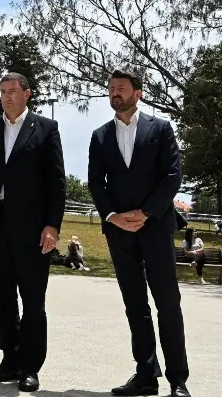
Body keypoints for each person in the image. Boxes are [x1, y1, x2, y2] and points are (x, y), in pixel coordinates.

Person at [88, 70, 190, 397]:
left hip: (156, 228)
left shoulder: (160, 129)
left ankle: (178, 381)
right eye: (111, 89)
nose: (115, 93)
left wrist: (146, 213)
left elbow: (172, 176)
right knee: (135, 305)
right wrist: (113, 216)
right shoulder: (100, 136)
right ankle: (146, 376)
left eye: (122, 88)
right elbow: (95, 183)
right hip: (120, 233)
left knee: (167, 303)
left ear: (138, 93)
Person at [0, 72, 66, 393]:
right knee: (1, 297)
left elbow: (56, 182)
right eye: (2, 92)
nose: (7, 97)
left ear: (27, 94)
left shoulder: (46, 129)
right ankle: (10, 358)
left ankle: (31, 367)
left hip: (33, 229)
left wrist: (53, 224)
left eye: (13, 91)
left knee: (33, 300)